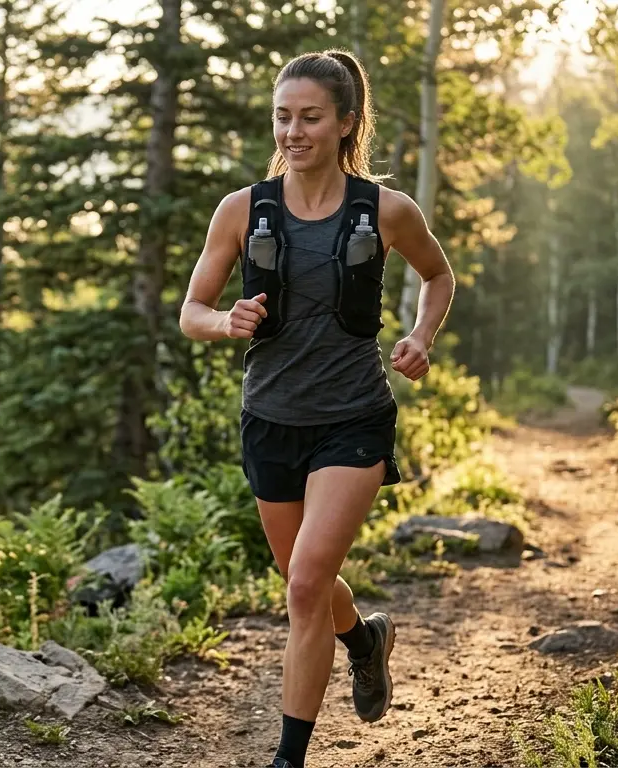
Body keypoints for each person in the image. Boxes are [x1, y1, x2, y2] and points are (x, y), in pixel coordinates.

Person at [178, 48, 455, 768]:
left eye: (309, 118)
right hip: (270, 418)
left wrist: (420, 335)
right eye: (282, 118)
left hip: (353, 417)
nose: (292, 132)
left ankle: (288, 759)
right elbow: (191, 311)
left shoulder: (387, 210)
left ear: (344, 124)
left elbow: (437, 274)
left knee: (304, 584)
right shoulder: (242, 211)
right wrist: (224, 321)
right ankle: (363, 638)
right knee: (304, 578)